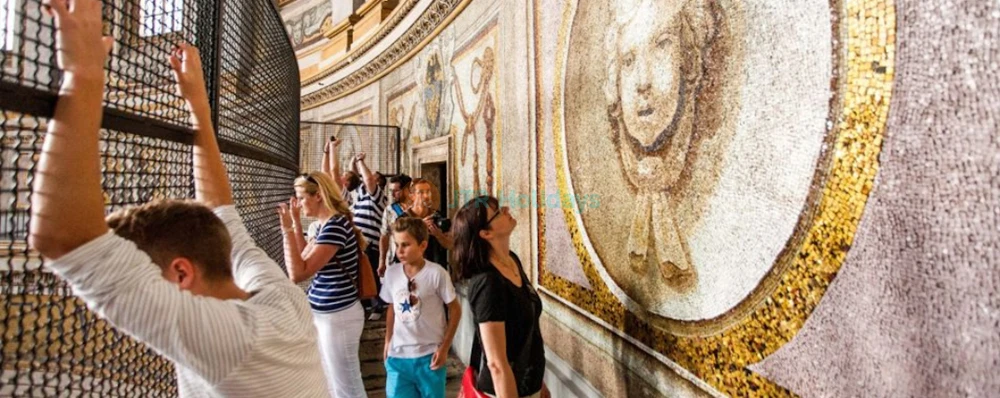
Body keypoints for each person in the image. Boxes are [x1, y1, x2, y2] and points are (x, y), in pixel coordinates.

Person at [28, 3, 327, 396]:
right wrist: (198, 111)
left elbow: (65, 240)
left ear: (182, 273)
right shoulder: (279, 299)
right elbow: (223, 213)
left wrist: (82, 75)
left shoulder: (231, 339)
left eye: (146, 273)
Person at [278, 171, 368, 398]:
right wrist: (297, 224)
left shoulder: (335, 227)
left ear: (317, 195)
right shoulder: (324, 225)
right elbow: (301, 257)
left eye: (300, 197)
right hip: (327, 315)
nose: (297, 203)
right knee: (330, 382)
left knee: (347, 385)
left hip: (339, 317)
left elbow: (297, 273)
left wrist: (287, 230)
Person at [451, 196, 547, 398]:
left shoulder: (512, 260)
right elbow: (496, 363)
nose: (505, 209)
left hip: (530, 385)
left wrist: (539, 384)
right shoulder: (488, 283)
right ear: (486, 233)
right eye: (497, 212)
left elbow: (526, 331)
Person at [381, 217, 461, 398]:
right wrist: (388, 340)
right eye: (397, 245)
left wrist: (445, 347)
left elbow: (455, 309)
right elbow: (392, 309)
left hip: (429, 356)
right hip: (398, 356)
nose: (399, 251)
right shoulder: (391, 273)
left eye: (405, 245)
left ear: (423, 245)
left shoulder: (437, 274)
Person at [406, 178, 453, 268]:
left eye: (428, 192)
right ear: (412, 196)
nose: (426, 196)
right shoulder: (403, 219)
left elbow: (450, 245)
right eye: (421, 192)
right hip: (412, 268)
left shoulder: (438, 217)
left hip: (435, 269)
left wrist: (439, 235)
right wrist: (419, 226)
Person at [378, 174, 413, 276]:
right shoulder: (389, 210)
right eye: (391, 191)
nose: (393, 194)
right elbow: (384, 236)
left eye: (396, 191)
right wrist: (381, 262)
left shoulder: (419, 209)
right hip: (394, 260)